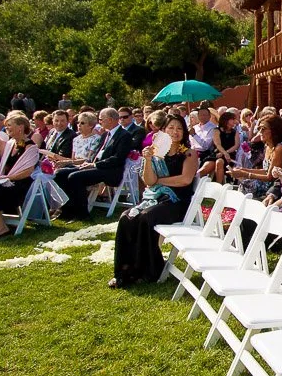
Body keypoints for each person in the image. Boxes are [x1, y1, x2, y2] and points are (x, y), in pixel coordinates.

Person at [110, 114, 198, 289]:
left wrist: (159, 181)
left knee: (145, 218)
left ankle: (150, 269)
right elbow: (149, 181)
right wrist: (148, 160)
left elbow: (185, 180)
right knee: (126, 217)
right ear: (163, 131)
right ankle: (125, 270)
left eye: (179, 128)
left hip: (177, 202)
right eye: (171, 128)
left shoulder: (188, 153)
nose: (175, 132)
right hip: (155, 199)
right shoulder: (156, 153)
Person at [54, 107, 134, 220]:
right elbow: (97, 154)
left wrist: (95, 165)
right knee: (60, 174)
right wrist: (87, 163)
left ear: (110, 120)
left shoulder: (124, 135)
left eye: (101, 119)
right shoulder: (105, 135)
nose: (99, 122)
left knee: (75, 177)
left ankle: (82, 214)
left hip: (111, 170)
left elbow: (118, 159)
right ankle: (66, 210)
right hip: (96, 166)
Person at [229, 113, 282, 196]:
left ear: (274, 130)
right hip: (264, 182)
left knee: (245, 188)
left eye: (263, 129)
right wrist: (243, 170)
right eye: (259, 129)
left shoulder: (280, 148)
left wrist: (245, 174)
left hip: (274, 187)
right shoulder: (267, 146)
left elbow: (270, 177)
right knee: (242, 186)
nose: (260, 132)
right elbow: (265, 170)